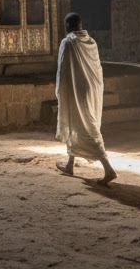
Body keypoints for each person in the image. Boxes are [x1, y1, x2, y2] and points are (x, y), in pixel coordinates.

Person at [54, 12, 117, 183]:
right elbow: (96, 67)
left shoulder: (68, 42)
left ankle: (108, 169)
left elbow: (63, 70)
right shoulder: (91, 41)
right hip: (92, 88)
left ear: (67, 26)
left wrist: (60, 91)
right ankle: (70, 165)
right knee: (77, 123)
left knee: (88, 127)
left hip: (77, 89)